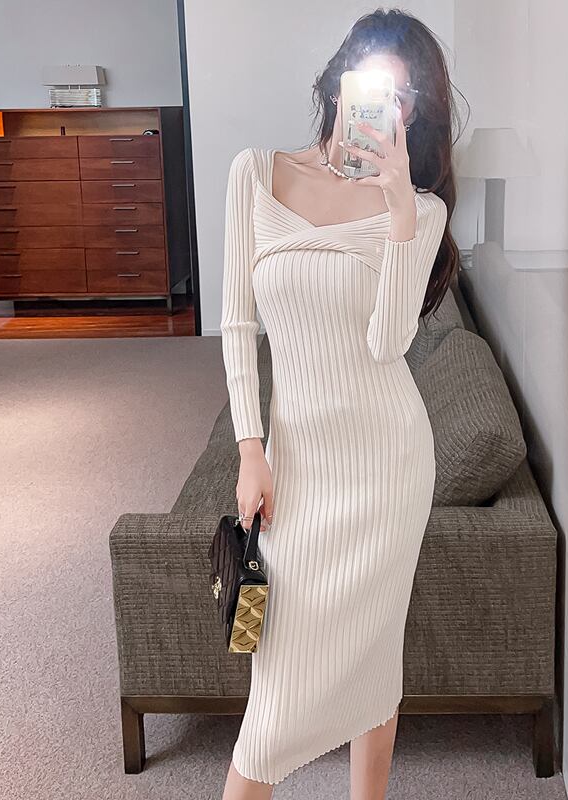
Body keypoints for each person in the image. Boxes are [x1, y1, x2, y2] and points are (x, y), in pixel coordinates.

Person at [219, 8, 461, 799]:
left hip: (386, 468)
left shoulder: (421, 211)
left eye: (402, 93)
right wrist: (250, 449)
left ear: (412, 112)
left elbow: (388, 343)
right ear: (337, 79)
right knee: (273, 700)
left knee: (372, 660)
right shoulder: (255, 173)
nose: (383, 101)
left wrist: (399, 213)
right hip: (296, 464)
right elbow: (236, 323)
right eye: (370, 78)